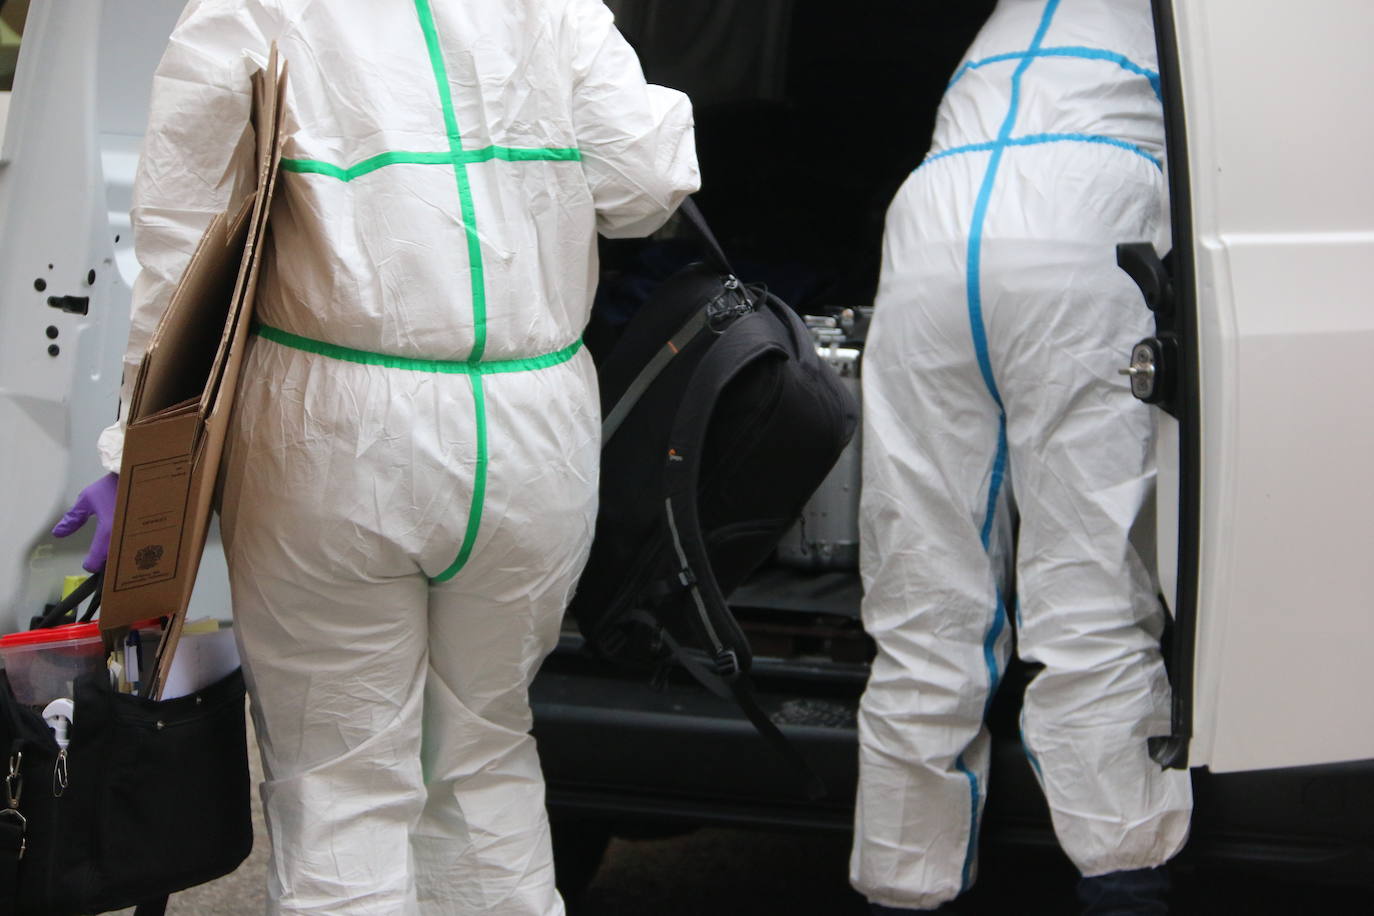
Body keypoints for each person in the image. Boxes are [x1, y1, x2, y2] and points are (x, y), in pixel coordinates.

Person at [53, 0, 697, 912]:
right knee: (486, 753)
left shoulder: (246, 7)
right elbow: (647, 184)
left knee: (342, 784)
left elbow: (184, 252)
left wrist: (141, 458)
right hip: (533, 426)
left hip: (332, 428)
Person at [851, 0, 1192, 913]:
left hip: (929, 229)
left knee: (922, 598)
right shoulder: (1178, 22)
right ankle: (1126, 886)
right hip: (1083, 228)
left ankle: (904, 888)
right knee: (1084, 593)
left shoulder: (1007, 19)